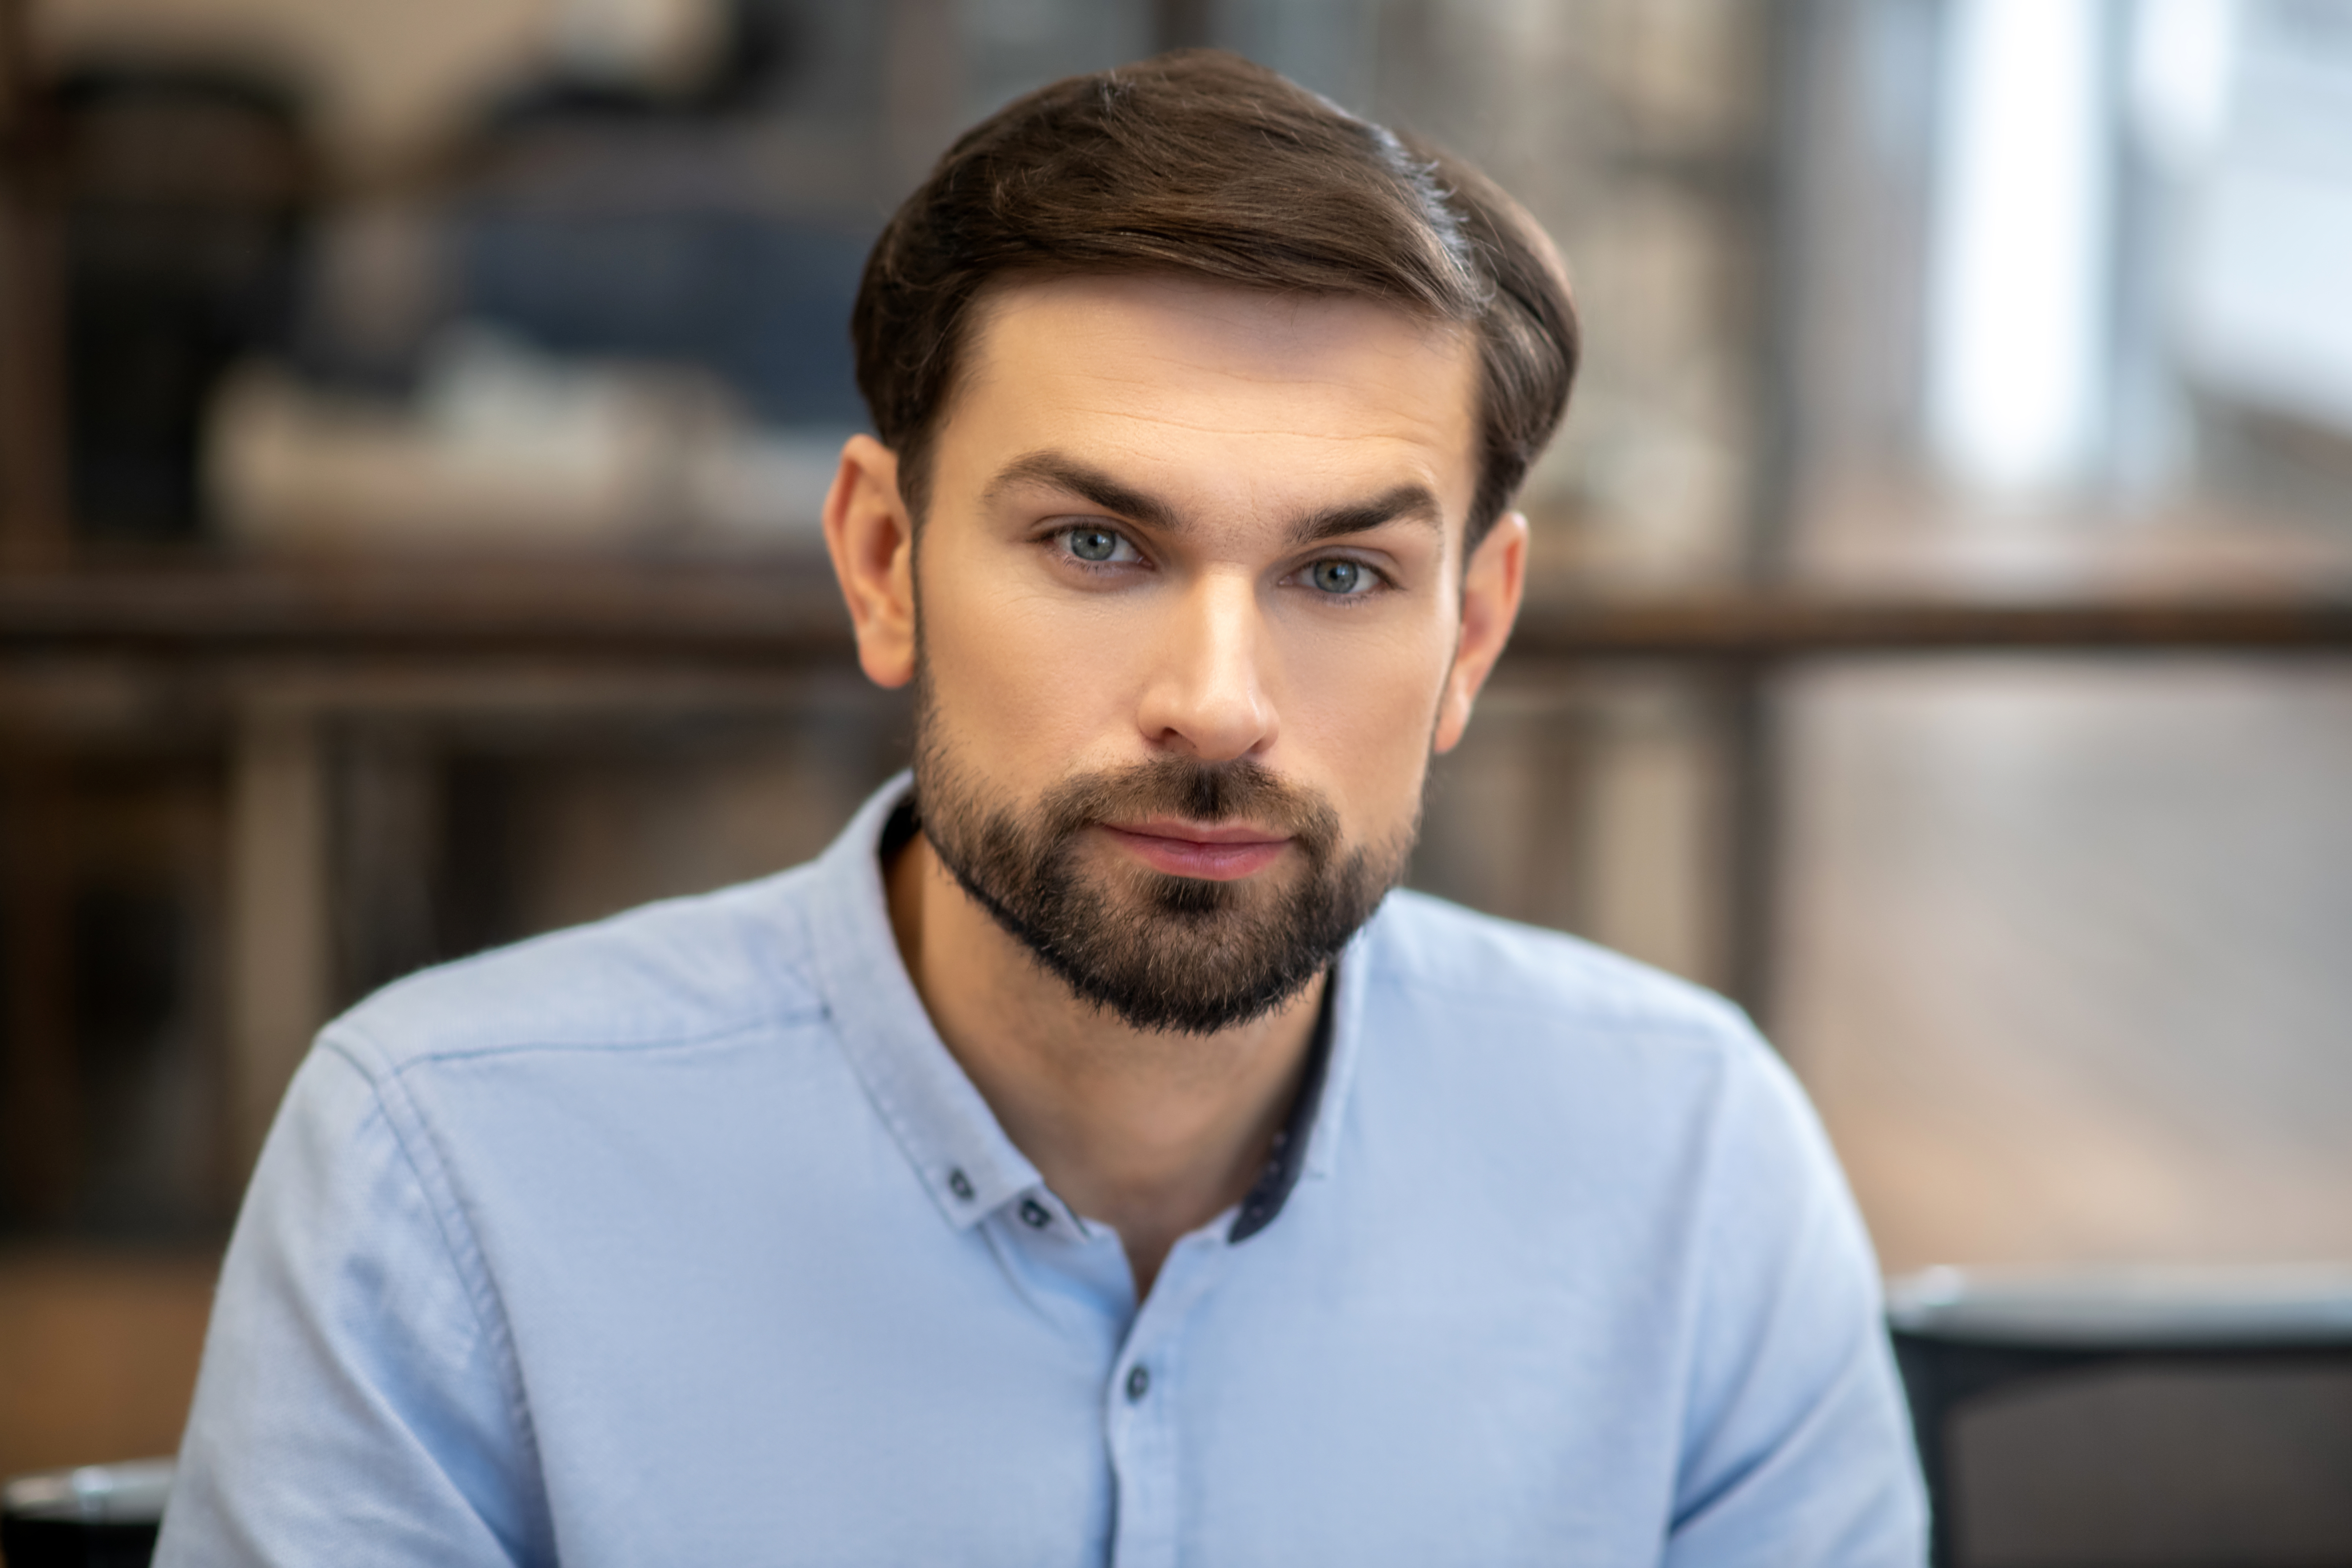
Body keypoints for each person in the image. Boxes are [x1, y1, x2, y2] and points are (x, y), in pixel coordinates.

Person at [158, 51, 1925, 1566]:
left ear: (1473, 631)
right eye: (1097, 545)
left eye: (1339, 575)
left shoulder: (1690, 1173)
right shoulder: (449, 1170)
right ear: (882, 563)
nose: (1220, 703)